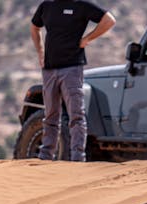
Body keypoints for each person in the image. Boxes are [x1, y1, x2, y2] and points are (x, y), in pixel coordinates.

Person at [30, 0, 115, 162]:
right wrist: (40, 52)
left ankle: (77, 157)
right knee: (50, 115)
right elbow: (34, 27)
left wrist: (87, 39)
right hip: (49, 68)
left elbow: (109, 20)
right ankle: (45, 156)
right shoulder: (46, 6)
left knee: (76, 115)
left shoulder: (81, 5)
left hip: (72, 68)